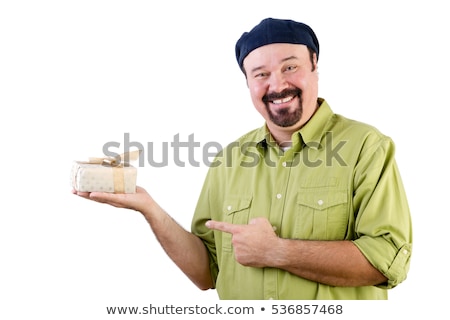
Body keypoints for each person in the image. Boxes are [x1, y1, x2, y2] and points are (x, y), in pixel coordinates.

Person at [73, 17, 412, 300]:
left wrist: (278, 251)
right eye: (260, 74)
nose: (277, 85)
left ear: (315, 68)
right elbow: (208, 272)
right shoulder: (229, 160)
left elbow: (388, 261)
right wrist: (150, 208)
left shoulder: (367, 147)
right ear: (248, 83)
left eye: (290, 66)